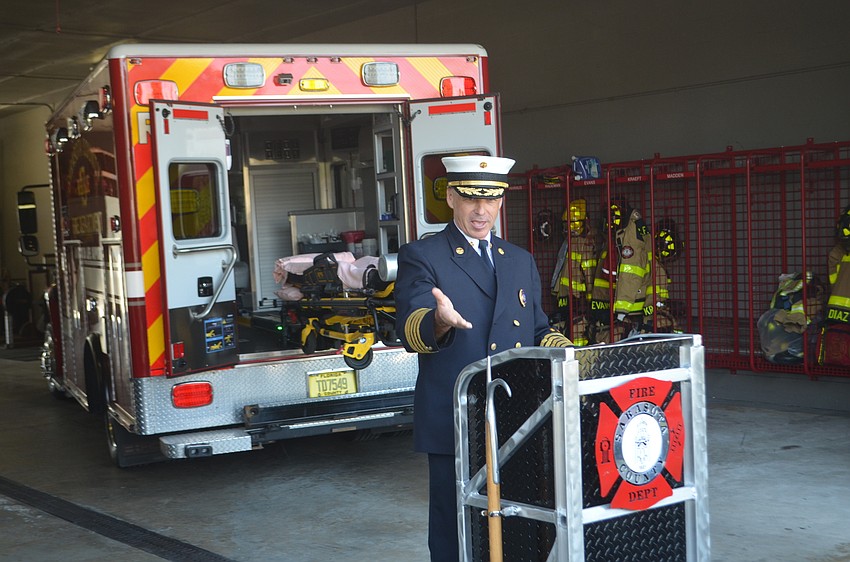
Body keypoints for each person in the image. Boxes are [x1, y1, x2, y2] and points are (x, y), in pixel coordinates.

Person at [394, 155, 572, 562]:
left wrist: (570, 353)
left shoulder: (519, 259)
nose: (481, 211)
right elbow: (410, 330)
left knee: (520, 519)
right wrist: (439, 322)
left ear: (501, 201)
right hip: (457, 417)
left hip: (520, 416)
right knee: (455, 527)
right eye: (471, 199)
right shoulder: (423, 255)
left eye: (491, 200)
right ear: (451, 198)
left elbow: (538, 329)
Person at [550, 199, 598, 345]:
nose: (568, 228)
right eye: (566, 225)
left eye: (572, 224)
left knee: (578, 335)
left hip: (579, 300)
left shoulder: (585, 244)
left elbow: (589, 273)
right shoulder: (570, 243)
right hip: (568, 298)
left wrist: (590, 300)